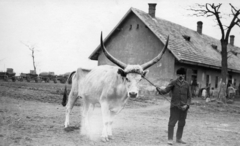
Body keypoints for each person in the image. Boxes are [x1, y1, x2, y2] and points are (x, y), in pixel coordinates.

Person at [156, 68, 191, 145]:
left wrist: (187, 105)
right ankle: (170, 139)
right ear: (177, 75)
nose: (181, 76)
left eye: (182, 74)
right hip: (175, 107)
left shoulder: (187, 84)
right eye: (179, 74)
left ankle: (179, 139)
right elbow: (165, 91)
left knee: (181, 123)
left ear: (184, 75)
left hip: (183, 108)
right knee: (172, 123)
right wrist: (159, 90)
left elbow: (189, 97)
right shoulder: (173, 83)